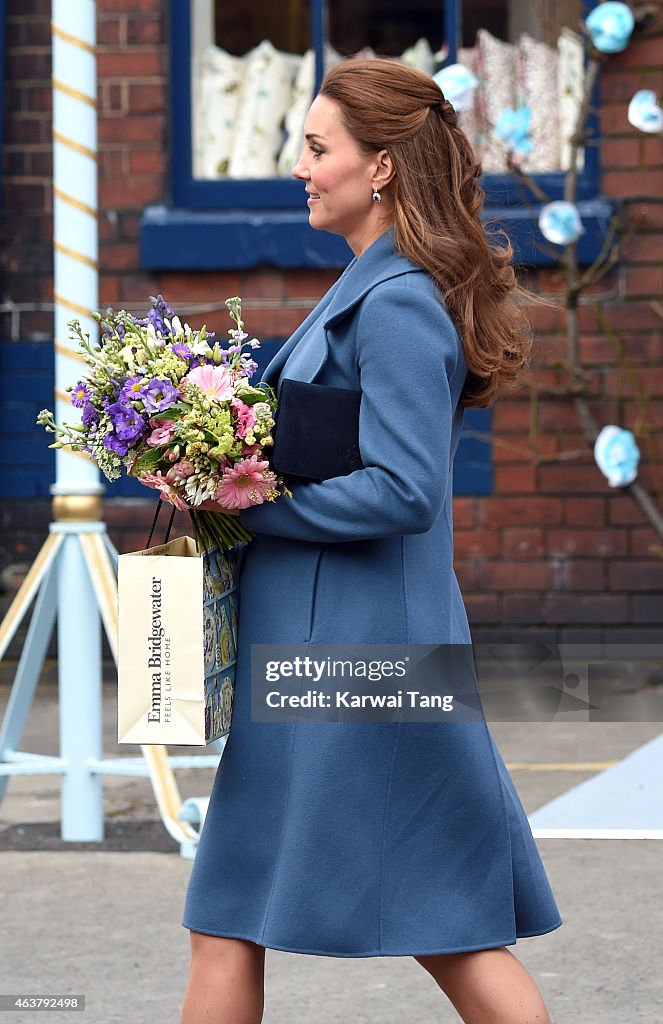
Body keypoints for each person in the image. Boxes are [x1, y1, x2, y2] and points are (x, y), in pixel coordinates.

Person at [180, 57, 561, 1024]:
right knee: (229, 913)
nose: (299, 167)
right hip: (325, 660)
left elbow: (404, 490)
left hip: (358, 665)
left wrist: (244, 506)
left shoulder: (392, 302)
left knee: (450, 930)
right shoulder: (367, 286)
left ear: (382, 166)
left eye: (317, 149)